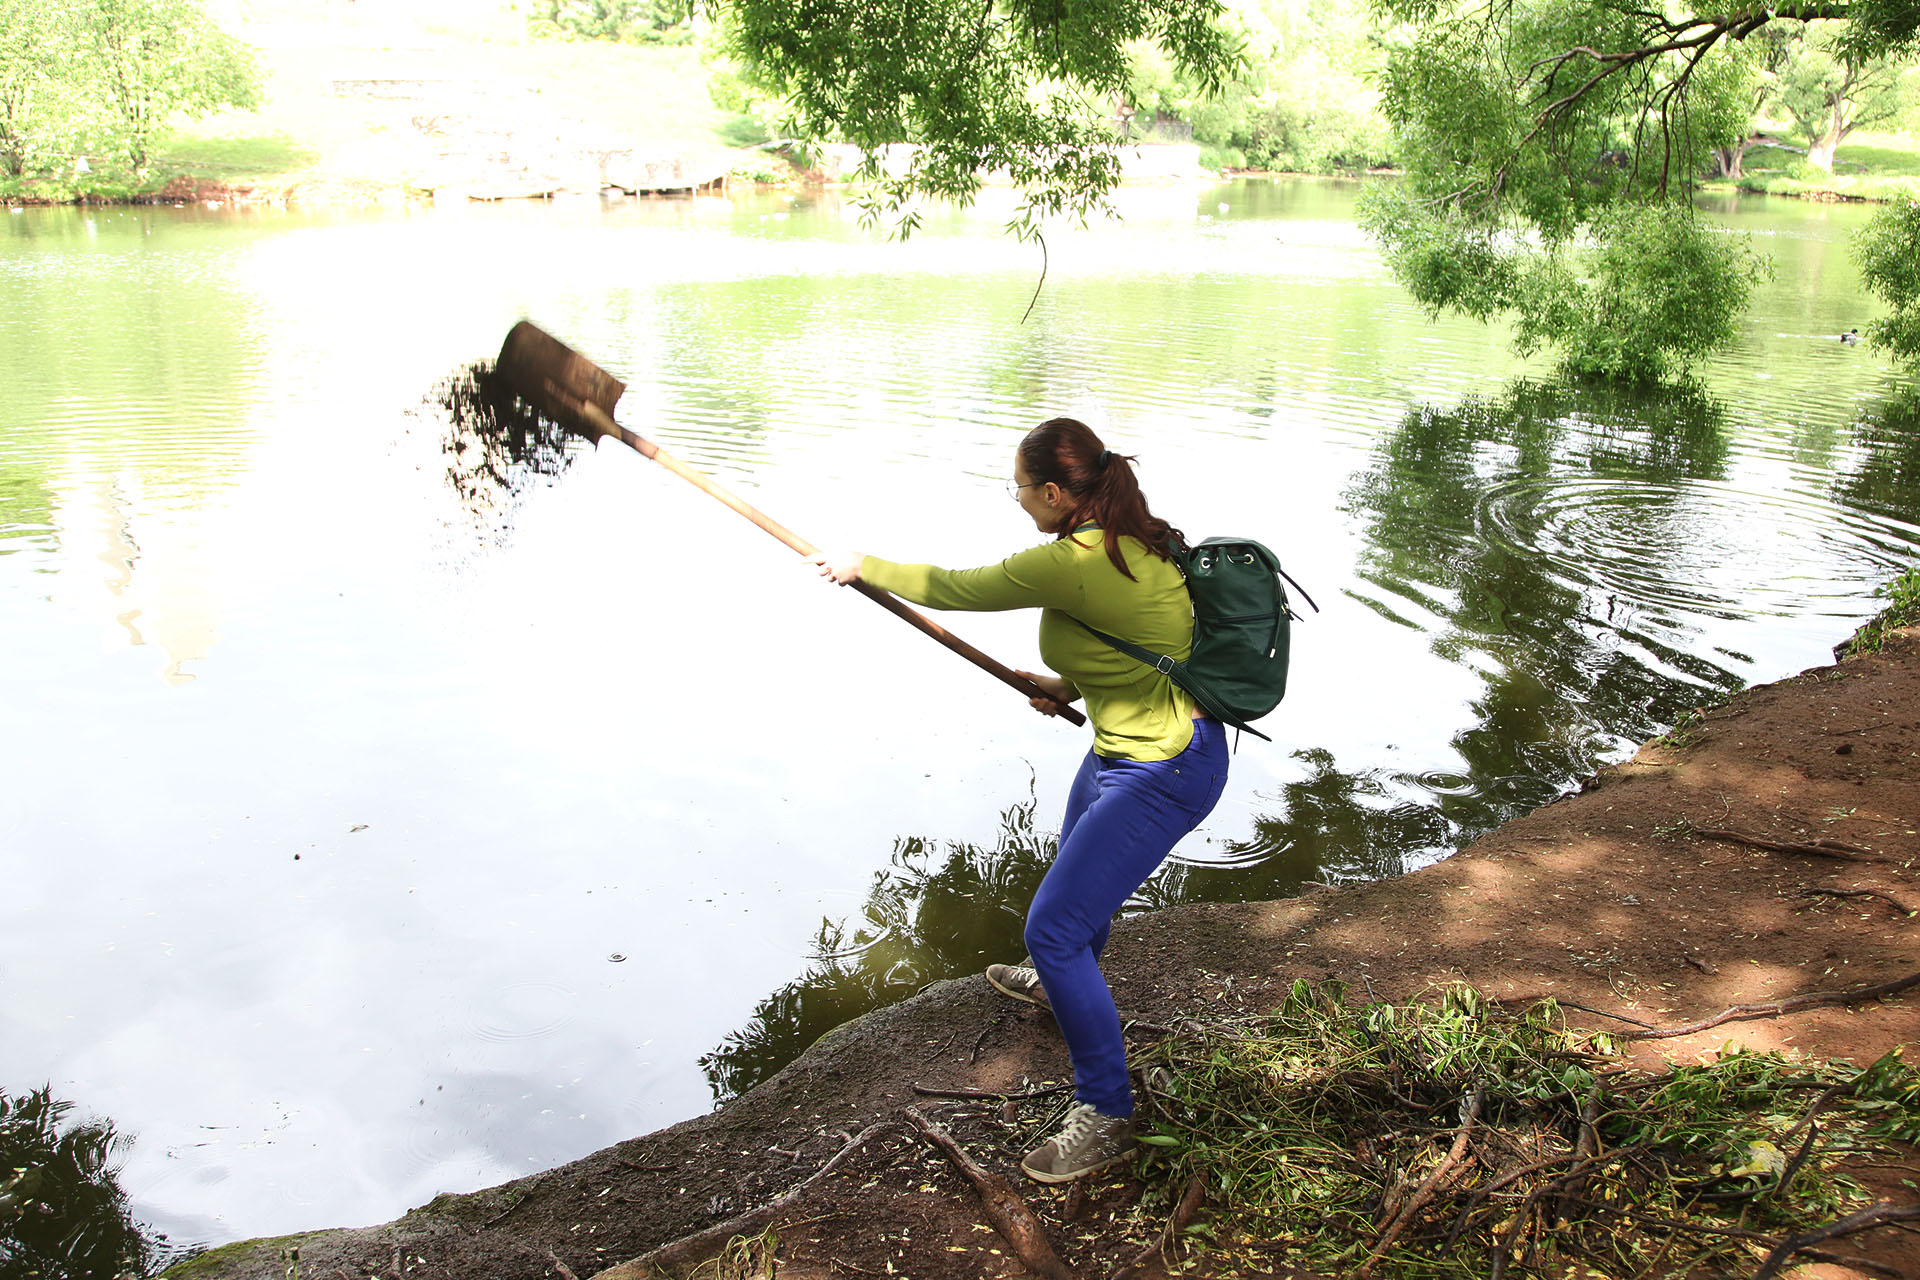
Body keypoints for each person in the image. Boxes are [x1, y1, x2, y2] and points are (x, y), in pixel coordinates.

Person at [813, 417, 1228, 1183]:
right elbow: (1153, 640)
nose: (1016, 501)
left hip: (1167, 768)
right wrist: (1069, 685)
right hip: (1120, 749)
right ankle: (1062, 989)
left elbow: (958, 588)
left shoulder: (1073, 560)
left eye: (1018, 489)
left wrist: (859, 564)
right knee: (1077, 906)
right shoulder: (1129, 538)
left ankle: (1106, 1113)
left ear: (1050, 491)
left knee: (1055, 929)